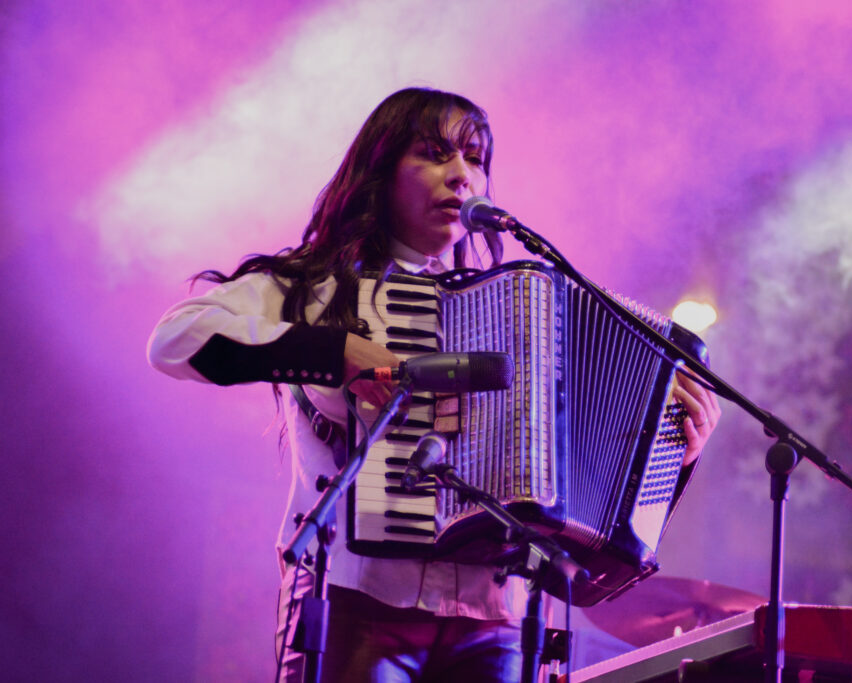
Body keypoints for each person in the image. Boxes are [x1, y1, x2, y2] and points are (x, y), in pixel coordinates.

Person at [147, 87, 721, 682]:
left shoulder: (517, 310)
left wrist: (667, 449)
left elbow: (573, 472)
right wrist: (338, 351)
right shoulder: (317, 284)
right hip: (358, 600)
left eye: (475, 160)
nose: (461, 175)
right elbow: (175, 340)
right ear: (381, 170)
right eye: (434, 153)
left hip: (494, 616)